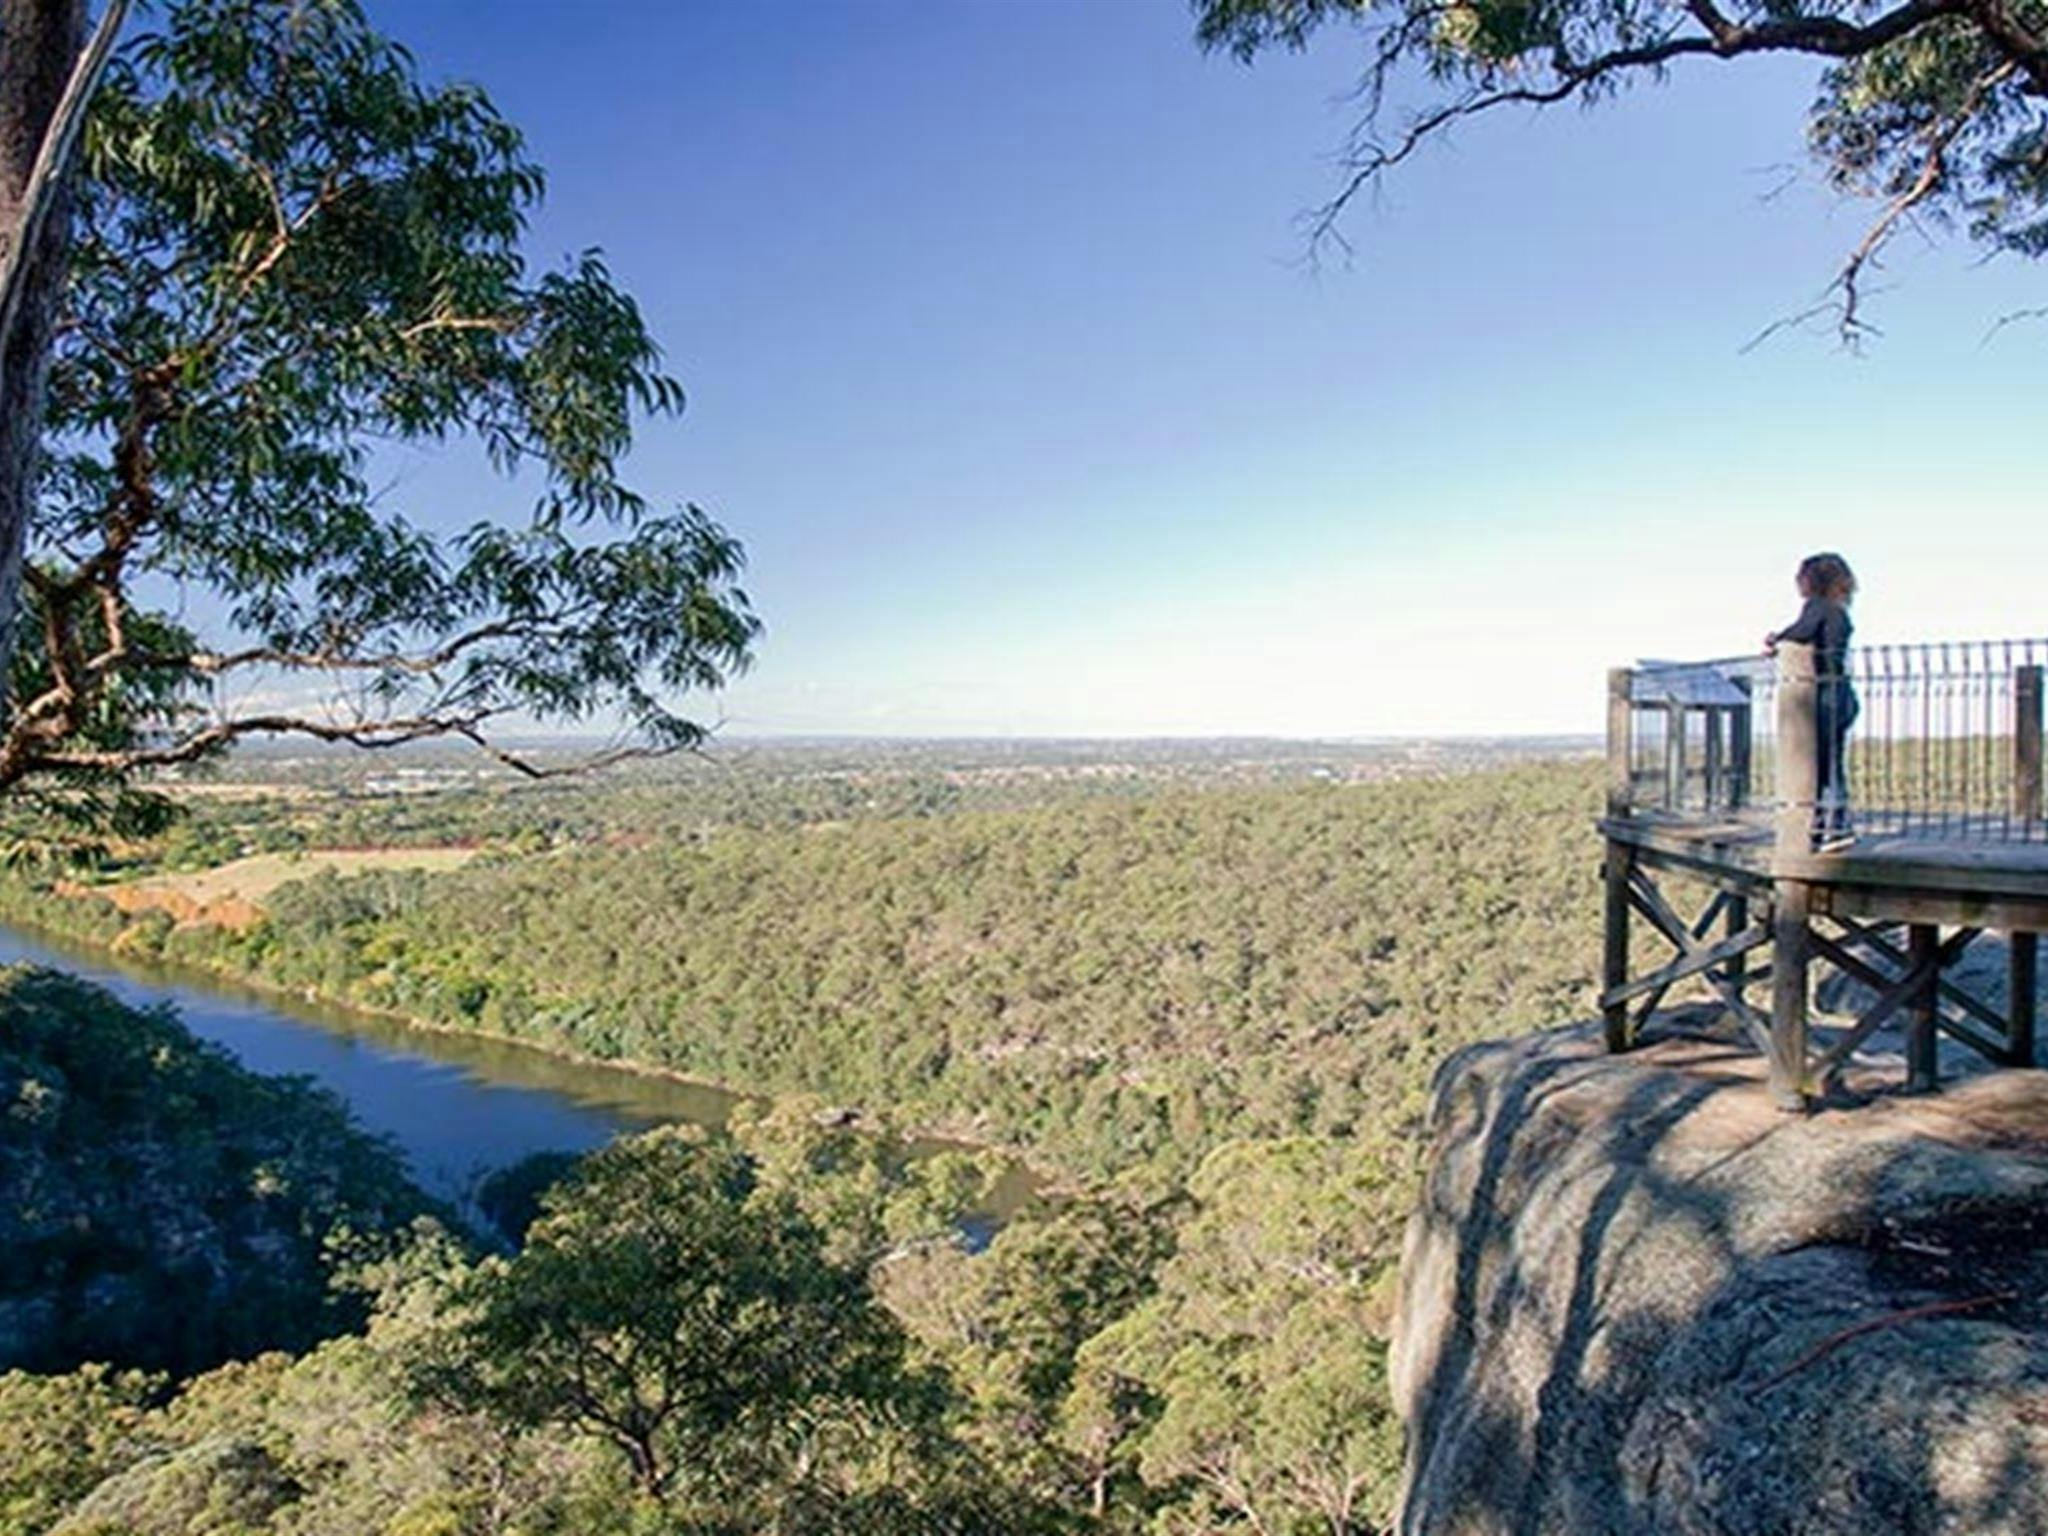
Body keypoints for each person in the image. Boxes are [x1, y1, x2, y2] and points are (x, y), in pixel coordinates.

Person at [1765, 552, 1858, 852]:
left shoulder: (1817, 607)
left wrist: (1776, 640)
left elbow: (1802, 631)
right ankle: (1836, 824)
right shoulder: (1840, 611)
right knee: (1833, 763)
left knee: (1818, 765)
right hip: (1843, 693)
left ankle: (1824, 827)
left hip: (1825, 696)